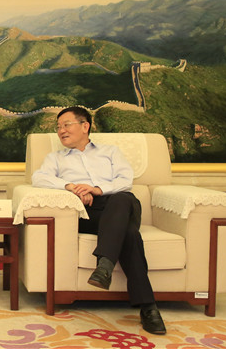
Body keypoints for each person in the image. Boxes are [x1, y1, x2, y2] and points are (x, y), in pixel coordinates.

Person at [32, 106, 166, 335]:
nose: (61, 130)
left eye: (66, 125)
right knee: (129, 234)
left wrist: (96, 189)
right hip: (87, 212)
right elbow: (39, 178)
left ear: (85, 126)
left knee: (122, 199)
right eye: (58, 127)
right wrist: (72, 187)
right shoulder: (56, 158)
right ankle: (148, 307)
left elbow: (125, 180)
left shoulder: (110, 152)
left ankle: (104, 265)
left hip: (118, 205)